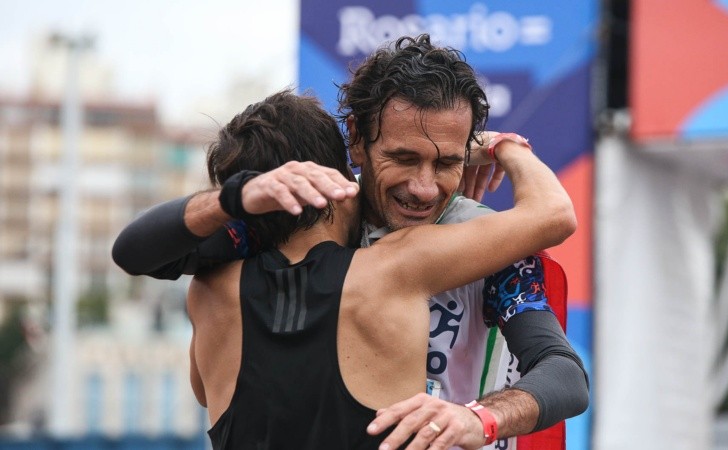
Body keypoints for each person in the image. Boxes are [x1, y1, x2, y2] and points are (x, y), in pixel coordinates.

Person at [112, 35, 589, 448]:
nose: (424, 188)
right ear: (357, 142)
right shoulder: (281, 225)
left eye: (446, 163)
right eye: (403, 158)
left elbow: (563, 373)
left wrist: (478, 417)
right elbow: (140, 252)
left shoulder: (485, 239)